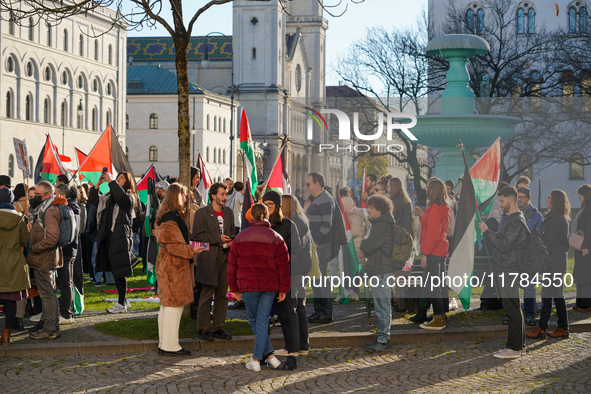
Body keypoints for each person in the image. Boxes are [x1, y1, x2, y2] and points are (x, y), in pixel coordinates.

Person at [227, 203, 290, 372]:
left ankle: (256, 359)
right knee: (260, 320)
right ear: (267, 215)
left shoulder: (240, 237)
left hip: (247, 285)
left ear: (251, 216)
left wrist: (234, 288)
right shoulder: (276, 237)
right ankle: (270, 356)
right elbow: (284, 266)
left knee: (256, 320)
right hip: (269, 285)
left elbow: (232, 265)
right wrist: (283, 288)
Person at [154, 183, 203, 356]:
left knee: (168, 306)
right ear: (176, 196)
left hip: (170, 267)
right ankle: (170, 345)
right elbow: (174, 246)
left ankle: (164, 344)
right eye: (183, 194)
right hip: (173, 268)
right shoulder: (171, 218)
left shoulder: (168, 216)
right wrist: (192, 251)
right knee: (173, 306)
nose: (185, 197)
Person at [479, 186, 528, 359]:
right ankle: (518, 347)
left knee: (513, 309)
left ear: (511, 199)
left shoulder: (515, 221)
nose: (499, 204)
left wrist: (486, 232)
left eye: (501, 200)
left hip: (509, 269)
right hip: (505, 267)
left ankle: (514, 349)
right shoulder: (509, 218)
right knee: (513, 308)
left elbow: (504, 245)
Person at [88, 172, 138, 314]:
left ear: (127, 182)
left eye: (121, 178)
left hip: (121, 238)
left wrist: (111, 182)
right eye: (117, 177)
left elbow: (122, 199)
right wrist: (97, 185)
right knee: (116, 270)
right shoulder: (109, 197)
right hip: (109, 238)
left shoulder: (129, 197)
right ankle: (123, 300)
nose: (117, 179)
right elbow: (94, 200)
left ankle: (121, 303)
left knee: (119, 271)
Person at [192, 182, 235, 341]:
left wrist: (230, 241)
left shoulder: (229, 213)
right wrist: (218, 239)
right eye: (222, 194)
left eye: (226, 194)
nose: (225, 197)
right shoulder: (202, 213)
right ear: (213, 195)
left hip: (225, 256)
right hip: (209, 258)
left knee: (222, 295)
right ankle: (203, 328)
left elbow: (232, 232)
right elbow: (196, 237)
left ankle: (219, 327)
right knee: (207, 293)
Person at [263, 190, 301, 370]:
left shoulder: (288, 225)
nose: (267, 207)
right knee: (263, 317)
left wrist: (284, 278)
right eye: (265, 204)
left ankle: (292, 355)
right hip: (265, 279)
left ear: (277, 206)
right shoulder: (260, 225)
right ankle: (264, 354)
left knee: (287, 315)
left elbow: (295, 253)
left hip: (286, 277)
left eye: (270, 204)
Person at [527, 190, 570, 339]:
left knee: (556, 295)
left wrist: (535, 245)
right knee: (547, 295)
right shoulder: (554, 218)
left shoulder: (558, 219)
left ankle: (562, 327)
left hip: (554, 264)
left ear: (555, 201)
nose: (546, 199)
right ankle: (543, 328)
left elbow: (548, 243)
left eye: (549, 197)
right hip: (551, 264)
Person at [27, 181, 67, 340]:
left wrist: (35, 248)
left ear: (48, 195)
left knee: (47, 294)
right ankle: (51, 326)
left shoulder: (49, 210)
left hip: (44, 258)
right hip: (44, 258)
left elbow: (52, 238)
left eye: (38, 195)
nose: (35, 198)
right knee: (49, 293)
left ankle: (50, 329)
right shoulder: (45, 208)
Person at [413, 178, 450, 331]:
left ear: (433, 190)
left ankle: (438, 318)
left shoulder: (434, 209)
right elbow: (432, 227)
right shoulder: (440, 207)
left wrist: (425, 254)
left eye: (428, 187)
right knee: (438, 285)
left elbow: (432, 234)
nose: (426, 189)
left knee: (434, 286)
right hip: (440, 249)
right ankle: (441, 316)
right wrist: (423, 215)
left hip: (434, 251)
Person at [360, 194, 395, 352]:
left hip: (382, 270)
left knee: (383, 305)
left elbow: (367, 246)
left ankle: (383, 339)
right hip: (379, 270)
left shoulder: (382, 225)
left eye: (371, 208)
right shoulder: (380, 223)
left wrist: (364, 243)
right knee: (381, 305)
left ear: (379, 210)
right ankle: (382, 335)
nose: (368, 210)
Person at [281, 194, 312, 357]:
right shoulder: (301, 219)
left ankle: (294, 345)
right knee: (300, 308)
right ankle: (302, 345)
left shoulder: (294, 223)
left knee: (292, 308)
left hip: (295, 270)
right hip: (302, 269)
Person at [0, 187, 30, 347]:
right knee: (11, 301)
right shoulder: (19, 218)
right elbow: (24, 242)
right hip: (13, 263)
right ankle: (6, 336)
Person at [304, 172, 335, 324]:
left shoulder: (325, 199)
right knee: (317, 279)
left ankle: (325, 313)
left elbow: (327, 224)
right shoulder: (317, 199)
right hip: (316, 245)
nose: (306, 187)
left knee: (321, 279)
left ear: (317, 184)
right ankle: (318, 312)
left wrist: (316, 241)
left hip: (321, 245)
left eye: (308, 183)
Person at [516, 186, 543, 326]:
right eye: (518, 197)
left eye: (522, 197)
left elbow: (538, 237)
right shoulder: (510, 212)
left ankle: (529, 315)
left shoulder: (536, 215)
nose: (519, 200)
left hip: (529, 256)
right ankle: (513, 315)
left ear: (528, 198)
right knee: (512, 286)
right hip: (513, 255)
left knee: (528, 287)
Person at [54, 184, 80, 325]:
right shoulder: (74, 206)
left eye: (55, 193)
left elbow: (64, 231)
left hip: (66, 249)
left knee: (65, 283)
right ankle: (68, 312)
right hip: (71, 249)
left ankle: (66, 314)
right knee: (67, 283)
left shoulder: (66, 208)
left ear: (62, 195)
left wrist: (60, 244)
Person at [341, 195, 368, 301]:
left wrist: (345, 232)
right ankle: (350, 291)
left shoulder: (355, 216)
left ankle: (355, 292)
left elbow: (355, 233)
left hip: (356, 248)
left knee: (355, 271)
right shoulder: (351, 215)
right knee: (350, 271)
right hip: (353, 247)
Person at [573, 184, 591, 311]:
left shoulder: (589, 209)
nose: (579, 197)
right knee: (580, 274)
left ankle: (586, 304)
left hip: (586, 246)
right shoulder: (584, 208)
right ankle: (580, 302)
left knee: (585, 275)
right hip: (581, 245)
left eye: (580, 194)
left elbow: (589, 229)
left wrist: (586, 246)